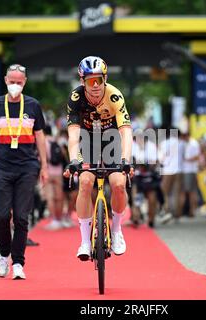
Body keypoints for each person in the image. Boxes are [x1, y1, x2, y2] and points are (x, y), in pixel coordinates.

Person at [0, 64, 48, 280]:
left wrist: (44, 165)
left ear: (24, 82)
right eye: (12, 81)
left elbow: (40, 136)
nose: (15, 85)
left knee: (21, 217)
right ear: (6, 81)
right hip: (2, 167)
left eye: (19, 82)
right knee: (0, 216)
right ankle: (4, 255)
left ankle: (18, 262)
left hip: (27, 166)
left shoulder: (33, 105)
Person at [63, 56, 134, 261]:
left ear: (105, 79)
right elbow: (74, 135)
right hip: (87, 139)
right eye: (89, 81)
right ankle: (85, 241)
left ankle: (118, 229)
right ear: (82, 81)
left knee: (119, 183)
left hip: (112, 138)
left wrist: (125, 159)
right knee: (85, 182)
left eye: (99, 81)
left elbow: (126, 132)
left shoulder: (114, 96)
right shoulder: (76, 98)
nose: (95, 86)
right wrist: (74, 160)